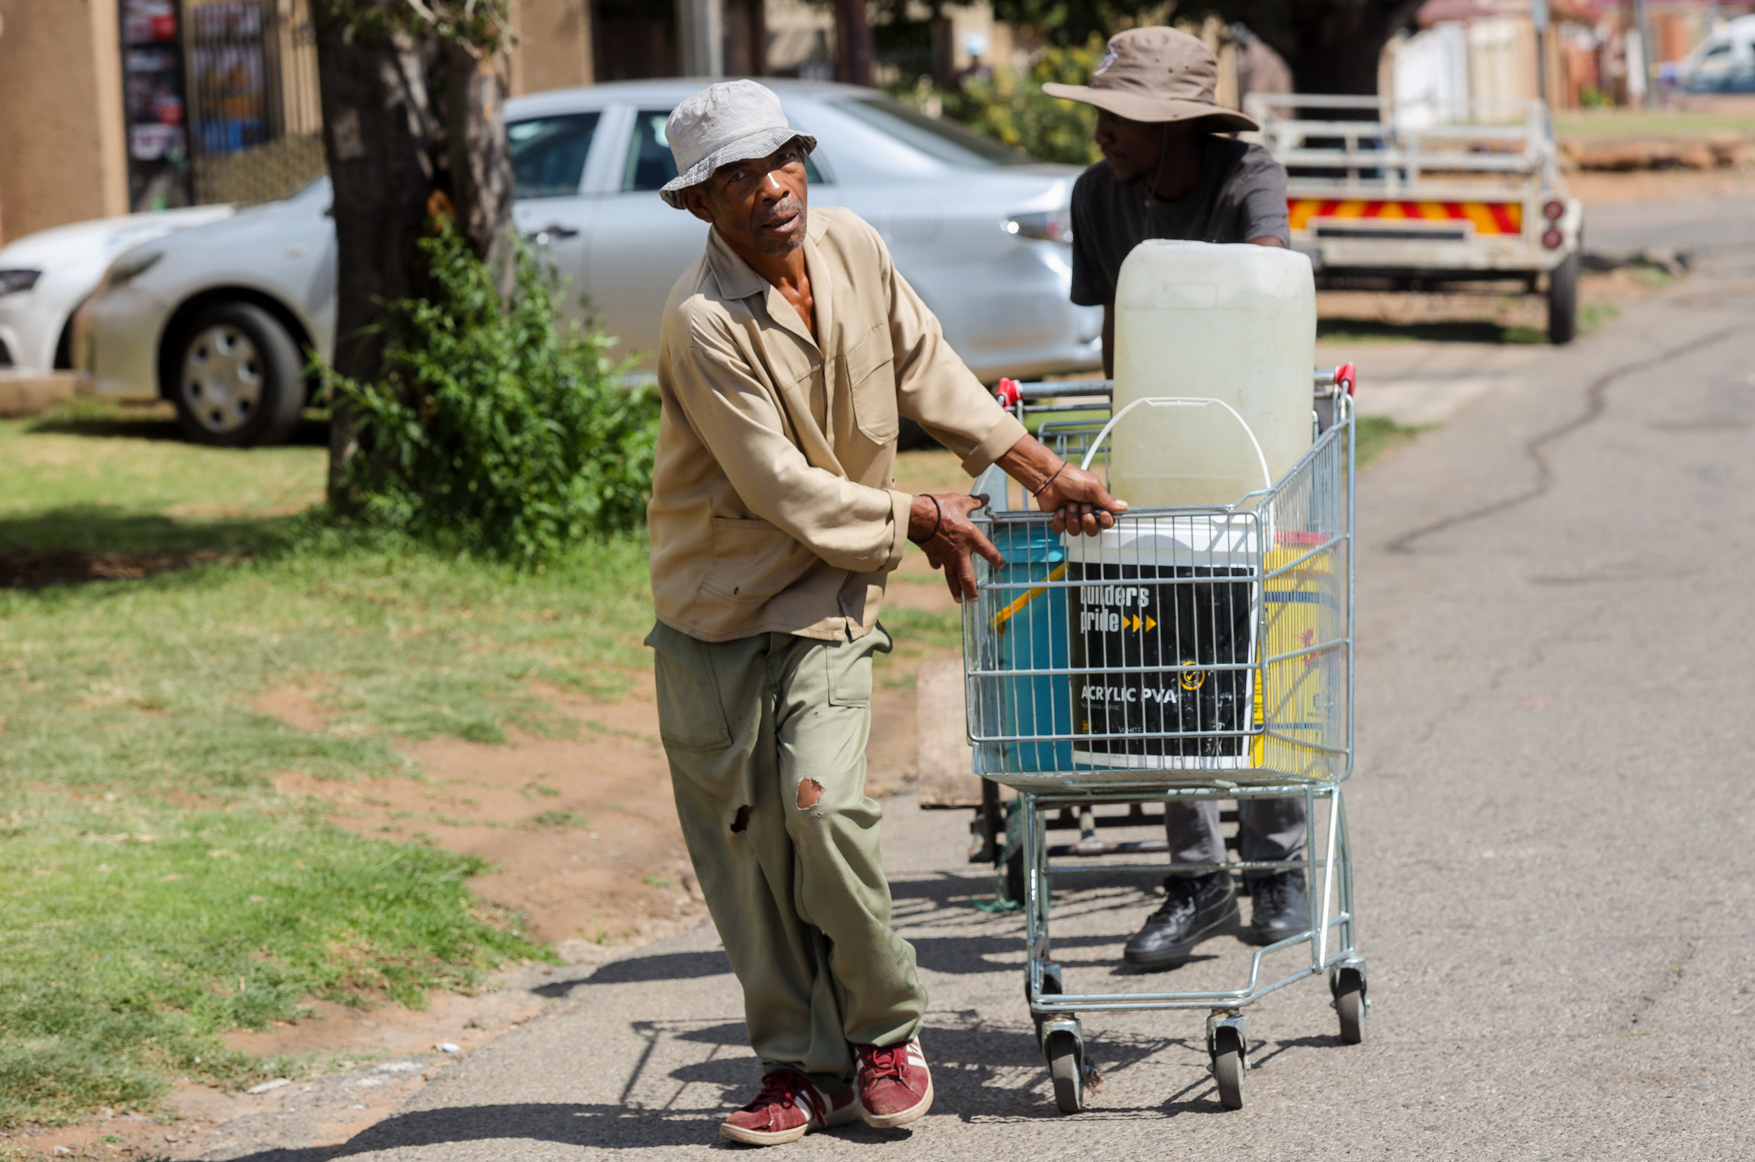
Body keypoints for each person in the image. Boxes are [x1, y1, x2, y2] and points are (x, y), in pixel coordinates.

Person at [645, 80, 1124, 1146]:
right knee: (748, 845)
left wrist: (1044, 473)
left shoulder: (852, 243)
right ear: (699, 206)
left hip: (825, 595)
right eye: (736, 177)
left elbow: (927, 368)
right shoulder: (701, 322)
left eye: (781, 160)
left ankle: (884, 1033)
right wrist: (917, 513)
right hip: (715, 611)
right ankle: (793, 1066)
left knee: (819, 807)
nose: (771, 189)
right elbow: (779, 487)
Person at [1043, 26, 1308, 970]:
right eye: (1104, 112)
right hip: (1155, 450)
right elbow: (1115, 322)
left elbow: (1266, 292)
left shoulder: (1247, 179)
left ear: (1181, 126)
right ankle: (1197, 877)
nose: (1106, 130)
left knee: (1255, 647)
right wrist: (1128, 448)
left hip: (1250, 441)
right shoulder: (1094, 195)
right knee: (1169, 661)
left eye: (1126, 116)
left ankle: (1275, 863)